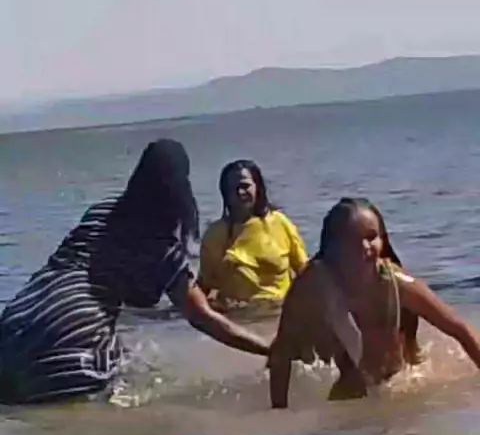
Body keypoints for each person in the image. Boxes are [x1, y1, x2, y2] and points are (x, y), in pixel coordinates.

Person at [0, 139, 269, 404]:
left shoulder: (99, 213)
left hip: (13, 326)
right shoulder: (161, 248)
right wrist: (269, 349)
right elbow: (202, 317)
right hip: (70, 338)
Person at [269, 197, 480, 408]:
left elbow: (459, 329)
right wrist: (278, 411)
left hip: (398, 384)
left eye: (371, 237)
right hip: (349, 386)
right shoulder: (312, 285)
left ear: (383, 240)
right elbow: (281, 350)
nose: (365, 247)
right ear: (333, 246)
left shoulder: (399, 284)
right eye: (352, 240)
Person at [198, 160, 308, 309]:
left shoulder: (280, 223)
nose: (240, 192)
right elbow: (203, 288)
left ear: (258, 187)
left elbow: (306, 273)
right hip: (238, 314)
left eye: (245, 186)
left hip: (278, 312)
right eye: (233, 188)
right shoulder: (214, 234)